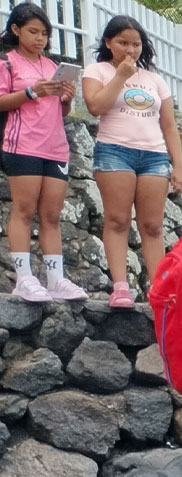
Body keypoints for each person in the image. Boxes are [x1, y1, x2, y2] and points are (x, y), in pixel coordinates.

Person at [81, 15, 182, 306]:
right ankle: (121, 287)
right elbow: (95, 106)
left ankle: (159, 289)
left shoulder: (153, 79)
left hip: (153, 155)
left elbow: (169, 126)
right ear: (108, 43)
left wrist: (178, 165)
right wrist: (121, 76)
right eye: (123, 42)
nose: (130, 49)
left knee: (152, 225)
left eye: (136, 44)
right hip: (114, 151)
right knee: (118, 219)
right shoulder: (97, 70)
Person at [0, 4, 84, 303]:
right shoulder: (7, 63)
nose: (40, 39)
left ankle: (56, 280)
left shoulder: (52, 66)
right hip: (23, 145)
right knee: (24, 210)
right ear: (15, 30)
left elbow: (60, 111)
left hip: (55, 147)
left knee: (51, 215)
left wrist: (65, 100)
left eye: (44, 34)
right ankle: (24, 278)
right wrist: (32, 92)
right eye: (33, 32)